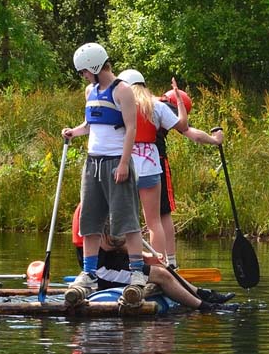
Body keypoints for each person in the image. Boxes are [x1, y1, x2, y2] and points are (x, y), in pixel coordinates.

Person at [62, 43, 146, 295]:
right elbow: (90, 124)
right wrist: (73, 132)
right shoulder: (90, 91)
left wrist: (123, 163)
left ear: (96, 66)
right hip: (93, 163)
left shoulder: (122, 91)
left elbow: (131, 128)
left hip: (115, 163)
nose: (83, 76)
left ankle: (137, 272)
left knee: (127, 219)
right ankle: (89, 273)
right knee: (89, 219)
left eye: (85, 71)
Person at [117, 69, 190, 262]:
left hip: (126, 168)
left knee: (126, 221)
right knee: (154, 221)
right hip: (151, 168)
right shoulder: (157, 106)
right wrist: (180, 101)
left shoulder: (119, 106)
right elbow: (183, 125)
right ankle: (162, 265)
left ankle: (131, 263)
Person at [155, 79, 223, 268]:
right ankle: (171, 262)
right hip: (156, 163)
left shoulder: (144, 103)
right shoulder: (167, 108)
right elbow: (193, 133)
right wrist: (215, 140)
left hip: (130, 163)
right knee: (164, 213)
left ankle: (139, 261)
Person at [92, 235, 238, 312]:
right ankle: (205, 307)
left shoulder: (109, 203)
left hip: (116, 262)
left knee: (161, 267)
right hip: (104, 270)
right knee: (162, 275)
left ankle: (201, 293)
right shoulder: (94, 208)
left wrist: (145, 255)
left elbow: (118, 242)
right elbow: (107, 243)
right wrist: (129, 232)